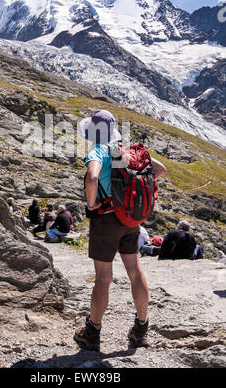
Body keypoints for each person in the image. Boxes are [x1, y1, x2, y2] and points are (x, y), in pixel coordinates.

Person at [74, 109, 167, 351]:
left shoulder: (98, 150)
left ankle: (92, 332)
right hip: (131, 221)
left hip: (106, 221)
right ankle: (141, 328)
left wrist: (92, 203)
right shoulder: (123, 151)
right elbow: (160, 169)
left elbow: (92, 177)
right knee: (135, 272)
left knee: (103, 278)